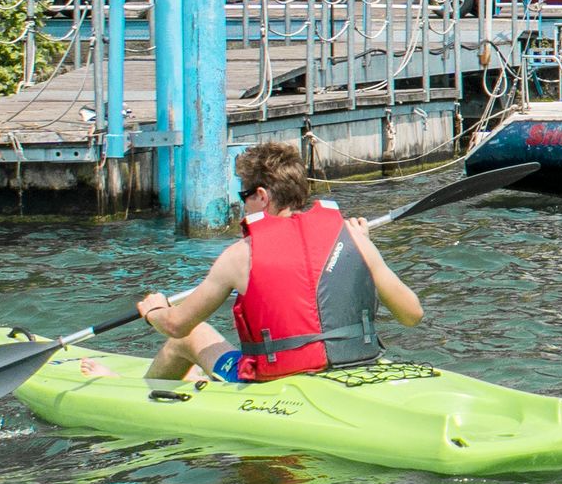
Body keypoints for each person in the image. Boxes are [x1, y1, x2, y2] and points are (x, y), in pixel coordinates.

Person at [137, 140, 423, 383]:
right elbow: (412, 315)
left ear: (261, 196)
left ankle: (140, 398)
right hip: (354, 366)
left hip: (276, 379)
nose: (241, 205)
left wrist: (156, 311)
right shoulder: (355, 239)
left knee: (187, 337)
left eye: (243, 196)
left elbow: (176, 325)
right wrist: (363, 248)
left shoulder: (241, 255)